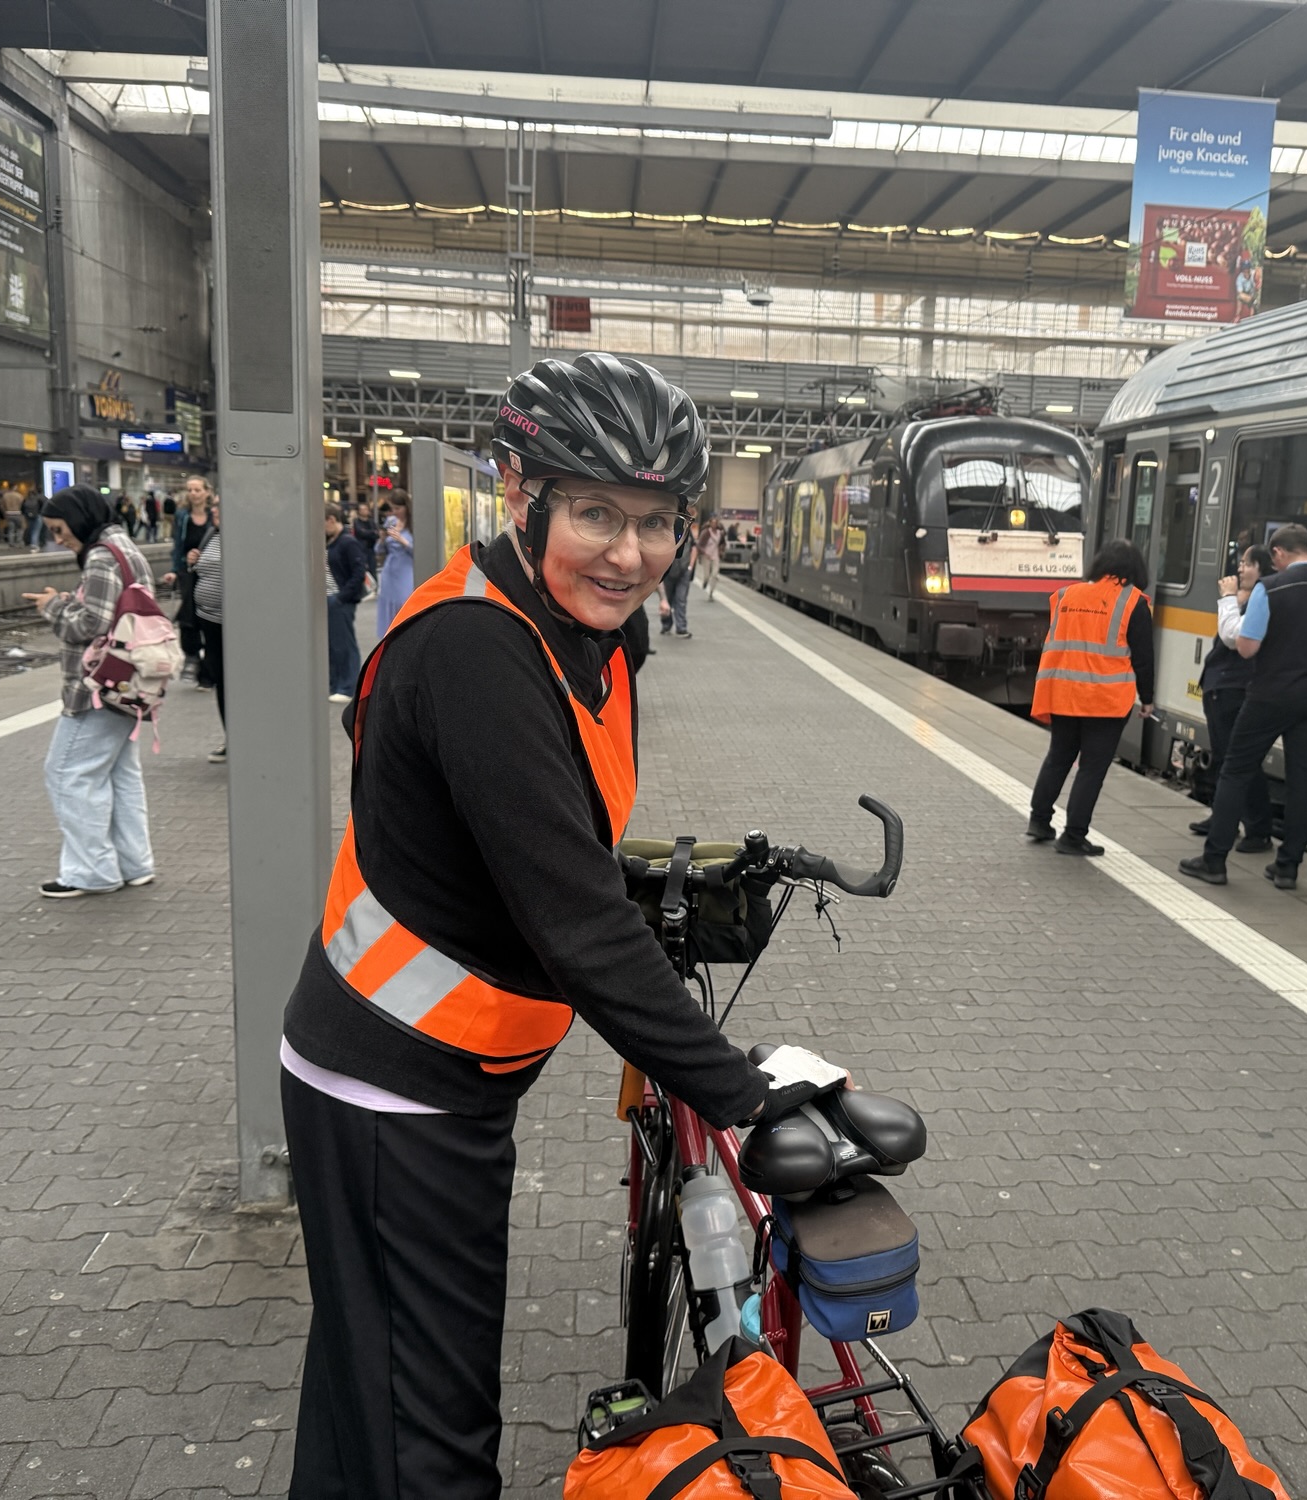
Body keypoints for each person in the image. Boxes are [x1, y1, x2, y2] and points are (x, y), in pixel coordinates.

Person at [280, 352, 791, 1500]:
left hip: (437, 1081)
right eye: (597, 512)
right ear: (524, 496)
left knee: (373, 1389)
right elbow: (574, 922)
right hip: (390, 1095)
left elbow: (554, 839)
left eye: (657, 522)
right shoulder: (476, 649)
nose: (628, 552)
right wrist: (748, 1097)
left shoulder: (589, 633)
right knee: (432, 1436)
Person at [1180, 524, 1307, 891]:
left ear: (1278, 553)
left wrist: (1278, 638)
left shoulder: (1270, 588)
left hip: (1269, 694)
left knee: (1236, 771)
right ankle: (1287, 868)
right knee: (1302, 779)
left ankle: (1214, 860)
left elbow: (1246, 647)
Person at [23, 486, 157, 898]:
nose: (58, 538)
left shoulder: (100, 556)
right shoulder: (125, 548)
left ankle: (91, 871)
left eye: (60, 529)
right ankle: (135, 864)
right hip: (130, 684)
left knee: (67, 774)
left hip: (98, 688)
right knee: (120, 775)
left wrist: (52, 607)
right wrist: (68, 600)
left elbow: (90, 625)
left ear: (79, 519)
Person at [1025, 539, 1154, 857]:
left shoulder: (1066, 595)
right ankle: (1072, 836)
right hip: (1105, 699)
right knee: (1092, 767)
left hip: (1064, 693)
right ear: (1135, 569)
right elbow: (1144, 657)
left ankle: (1039, 821)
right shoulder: (1133, 602)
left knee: (1058, 756)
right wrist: (1148, 698)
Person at [1189, 546, 1277, 853]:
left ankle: (1258, 829)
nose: (1240, 569)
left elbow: (1231, 638)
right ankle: (1224, 818)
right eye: (1240, 563)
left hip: (1236, 687)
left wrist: (1228, 599)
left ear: (1263, 569)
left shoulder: (1260, 600)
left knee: (1240, 761)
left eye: (1248, 564)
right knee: (1225, 758)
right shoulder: (1246, 599)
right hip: (1221, 686)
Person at [163, 479, 216, 683]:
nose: (193, 494)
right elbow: (178, 545)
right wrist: (175, 570)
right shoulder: (182, 516)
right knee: (188, 615)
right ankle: (192, 657)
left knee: (210, 617)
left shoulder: (215, 515)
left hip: (211, 573)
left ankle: (208, 668)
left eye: (197, 490)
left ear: (206, 492)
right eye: (190, 490)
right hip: (189, 571)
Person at [191, 506, 226, 762]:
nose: (214, 509)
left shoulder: (243, 536)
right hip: (209, 622)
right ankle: (231, 737)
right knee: (221, 681)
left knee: (235, 683)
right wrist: (193, 561)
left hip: (233, 625)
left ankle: (246, 737)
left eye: (219, 504)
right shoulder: (212, 535)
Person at [324, 506, 369, 701]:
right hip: (332, 598)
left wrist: (341, 597)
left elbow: (359, 572)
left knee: (343, 643)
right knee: (333, 644)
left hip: (340, 599)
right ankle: (336, 684)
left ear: (331, 520)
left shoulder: (347, 542)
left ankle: (347, 686)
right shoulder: (333, 541)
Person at [373, 496, 415, 638]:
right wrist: (382, 539)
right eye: (393, 509)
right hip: (389, 571)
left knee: (404, 603)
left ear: (406, 508)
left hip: (405, 572)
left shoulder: (414, 525)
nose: (395, 512)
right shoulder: (391, 522)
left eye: (398, 508)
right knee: (387, 606)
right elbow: (378, 550)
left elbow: (419, 552)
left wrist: (403, 541)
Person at [695, 514, 722, 595]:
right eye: (712, 522)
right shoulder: (706, 532)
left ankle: (711, 591)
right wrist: (704, 552)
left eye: (715, 523)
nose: (714, 524)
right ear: (710, 523)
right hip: (706, 556)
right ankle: (705, 581)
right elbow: (699, 545)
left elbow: (722, 543)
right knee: (707, 575)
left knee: (715, 574)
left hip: (715, 555)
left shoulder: (719, 533)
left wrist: (721, 551)